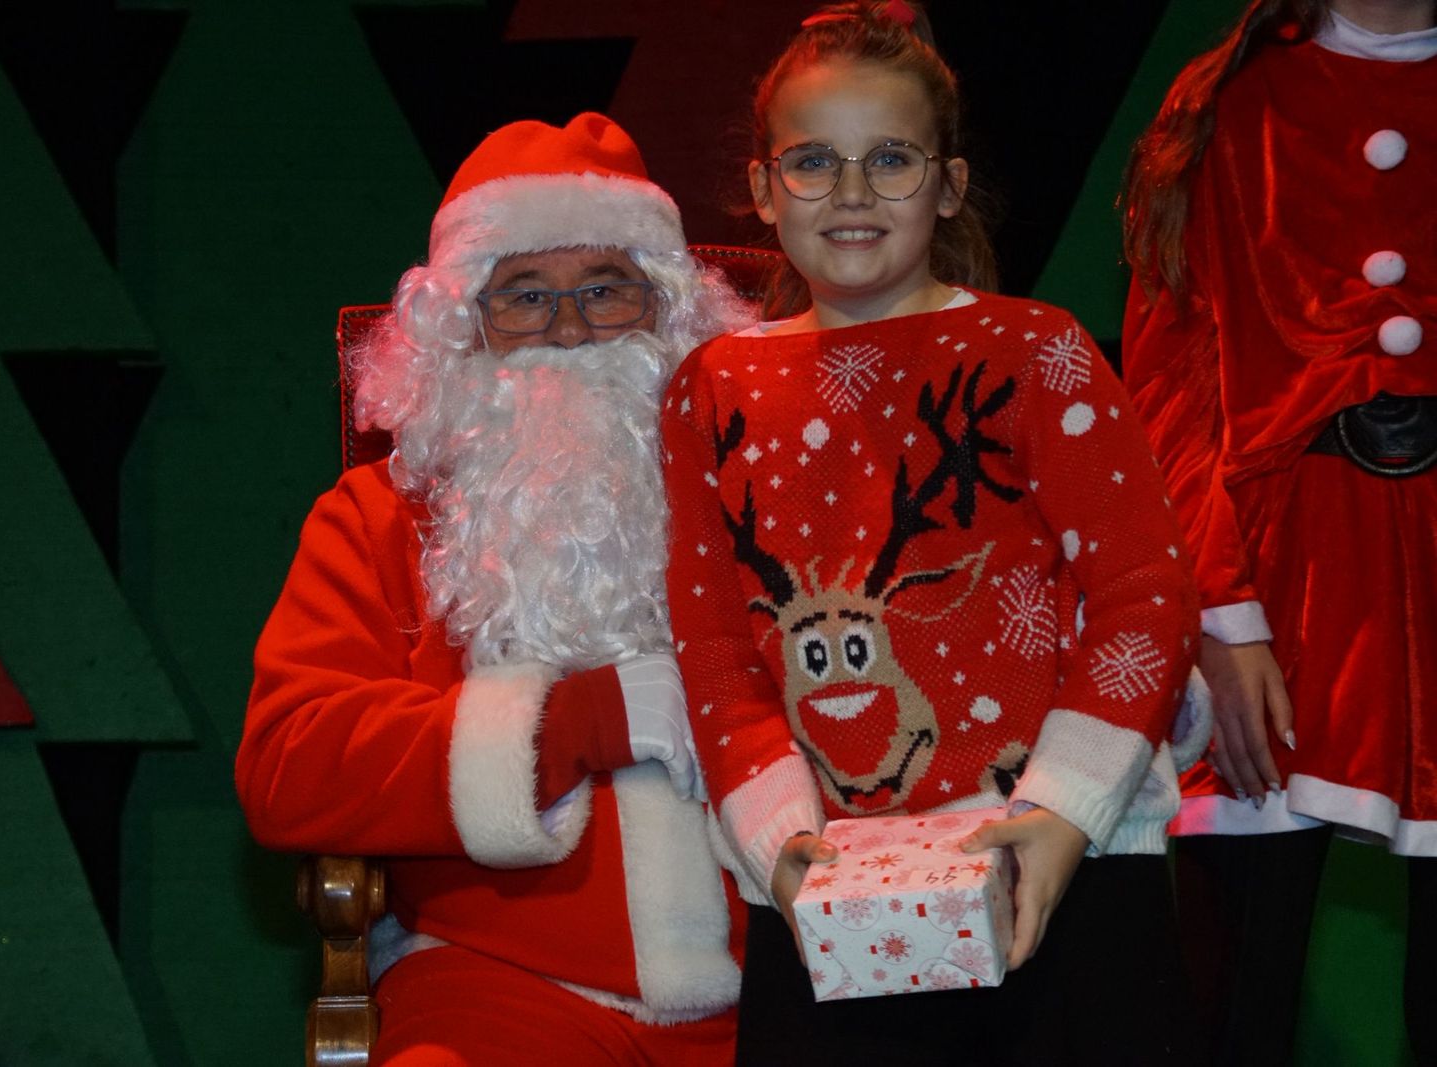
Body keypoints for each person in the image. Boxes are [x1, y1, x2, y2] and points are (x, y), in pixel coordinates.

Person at [658, 4, 1203, 1063]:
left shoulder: (1034, 351)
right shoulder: (709, 389)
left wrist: (1060, 814)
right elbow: (716, 648)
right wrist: (779, 850)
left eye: (890, 159)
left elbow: (1145, 591)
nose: (851, 192)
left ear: (947, 184)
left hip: (1055, 864)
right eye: (813, 160)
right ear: (766, 189)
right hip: (829, 891)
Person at [236, 113, 757, 1066]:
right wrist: (575, 722)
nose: (566, 328)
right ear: (462, 328)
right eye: (523, 295)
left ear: (672, 312)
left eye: (607, 290)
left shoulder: (762, 487)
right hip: (496, 986)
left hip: (779, 987)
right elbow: (289, 762)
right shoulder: (379, 517)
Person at [1120, 2, 1437, 1062]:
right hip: (1281, 582)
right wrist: (1221, 605)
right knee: (1233, 994)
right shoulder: (1228, 99)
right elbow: (1170, 376)